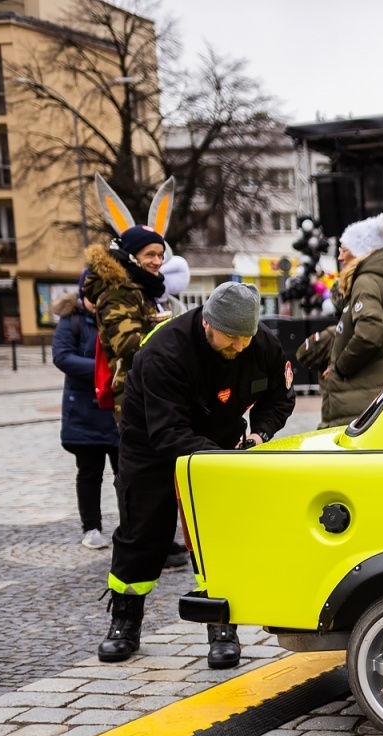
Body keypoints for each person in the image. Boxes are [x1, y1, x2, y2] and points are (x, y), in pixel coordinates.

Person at [99, 283, 294, 669]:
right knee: (143, 532)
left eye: (246, 337)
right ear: (208, 323)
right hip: (152, 443)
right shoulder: (164, 351)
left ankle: (222, 627)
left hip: (221, 439)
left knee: (216, 535)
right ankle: (125, 621)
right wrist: (219, 460)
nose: (239, 346)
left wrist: (259, 434)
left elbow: (280, 397)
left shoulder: (261, 344)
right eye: (231, 338)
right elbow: (168, 431)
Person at [319, 212, 383, 429]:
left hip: (367, 397)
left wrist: (340, 367)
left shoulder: (366, 281)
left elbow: (369, 335)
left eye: (344, 250)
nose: (340, 257)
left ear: (359, 251)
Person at [51, 285, 119, 548]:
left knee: (125, 474)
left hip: (115, 409)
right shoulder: (73, 320)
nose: (97, 301)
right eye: (92, 296)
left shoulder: (118, 316)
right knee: (90, 473)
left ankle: (131, 527)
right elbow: (63, 357)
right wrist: (104, 370)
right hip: (84, 410)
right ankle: (91, 528)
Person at [84, 227, 166, 422]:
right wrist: (173, 338)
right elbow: (128, 345)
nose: (157, 261)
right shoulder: (119, 292)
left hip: (148, 389)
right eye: (150, 255)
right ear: (131, 256)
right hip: (135, 394)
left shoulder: (139, 288)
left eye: (161, 255)